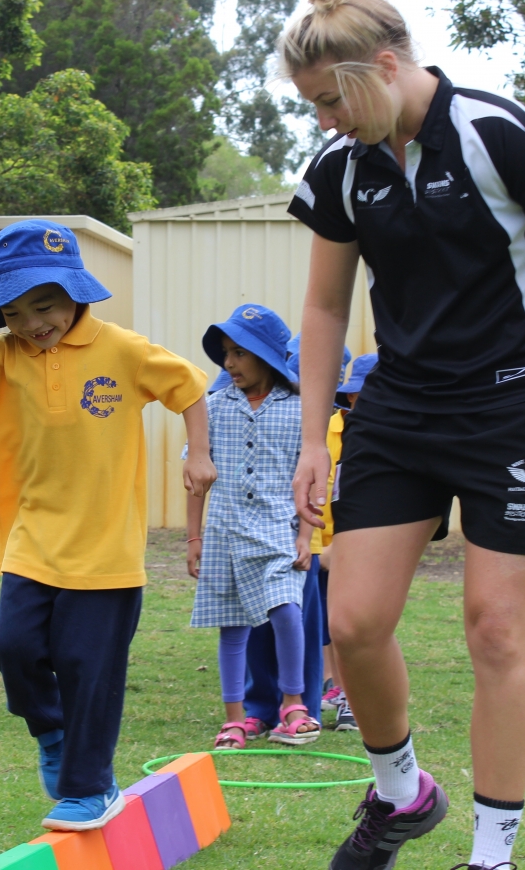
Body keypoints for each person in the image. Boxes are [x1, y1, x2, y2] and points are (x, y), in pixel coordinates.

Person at [284, 0, 525, 868]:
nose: (323, 121)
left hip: (514, 405)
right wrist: (313, 438)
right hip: (400, 406)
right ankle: (403, 794)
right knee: (351, 623)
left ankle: (492, 853)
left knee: (496, 630)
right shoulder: (340, 168)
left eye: (329, 100)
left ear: (385, 65)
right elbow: (323, 310)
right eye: (309, 106)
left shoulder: (494, 131)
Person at [0, 220, 216, 832]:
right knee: (13, 647)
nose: (32, 323)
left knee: (89, 668)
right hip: (31, 539)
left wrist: (198, 454)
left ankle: (89, 788)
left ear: (76, 292)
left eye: (45, 304)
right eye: (15, 311)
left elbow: (188, 387)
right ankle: (51, 731)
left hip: (106, 548)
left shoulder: (124, 349)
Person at [187, 304, 318, 750]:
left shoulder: (302, 409)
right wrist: (194, 537)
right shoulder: (212, 406)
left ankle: (293, 705)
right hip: (224, 530)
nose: (228, 363)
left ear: (265, 356)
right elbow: (196, 476)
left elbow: (312, 479)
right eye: (225, 353)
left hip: (278, 529)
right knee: (232, 626)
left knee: (287, 611)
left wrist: (305, 536)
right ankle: (234, 719)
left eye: (239, 353)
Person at [242, 345, 351, 739]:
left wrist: (311, 536)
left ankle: (302, 707)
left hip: (300, 538)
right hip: (253, 536)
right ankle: (258, 709)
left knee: (302, 624)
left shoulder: (313, 415)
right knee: (257, 625)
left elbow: (319, 478)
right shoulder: (238, 403)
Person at [313, 352, 377, 735]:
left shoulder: (390, 440)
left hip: (361, 547)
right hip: (321, 544)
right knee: (324, 620)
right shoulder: (325, 430)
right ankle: (330, 688)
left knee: (357, 624)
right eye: (362, 394)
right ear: (350, 397)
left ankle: (354, 698)